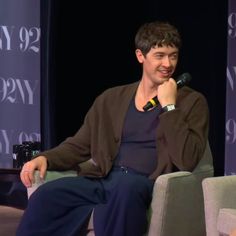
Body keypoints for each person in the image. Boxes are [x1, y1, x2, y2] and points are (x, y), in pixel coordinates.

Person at [16, 20, 210, 236]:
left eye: (173, 56)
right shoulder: (111, 99)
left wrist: (170, 107)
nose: (168, 63)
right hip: (105, 180)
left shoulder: (192, 102)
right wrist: (46, 158)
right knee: (47, 196)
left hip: (144, 183)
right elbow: (80, 144)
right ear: (140, 56)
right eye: (160, 55)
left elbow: (188, 159)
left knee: (125, 188)